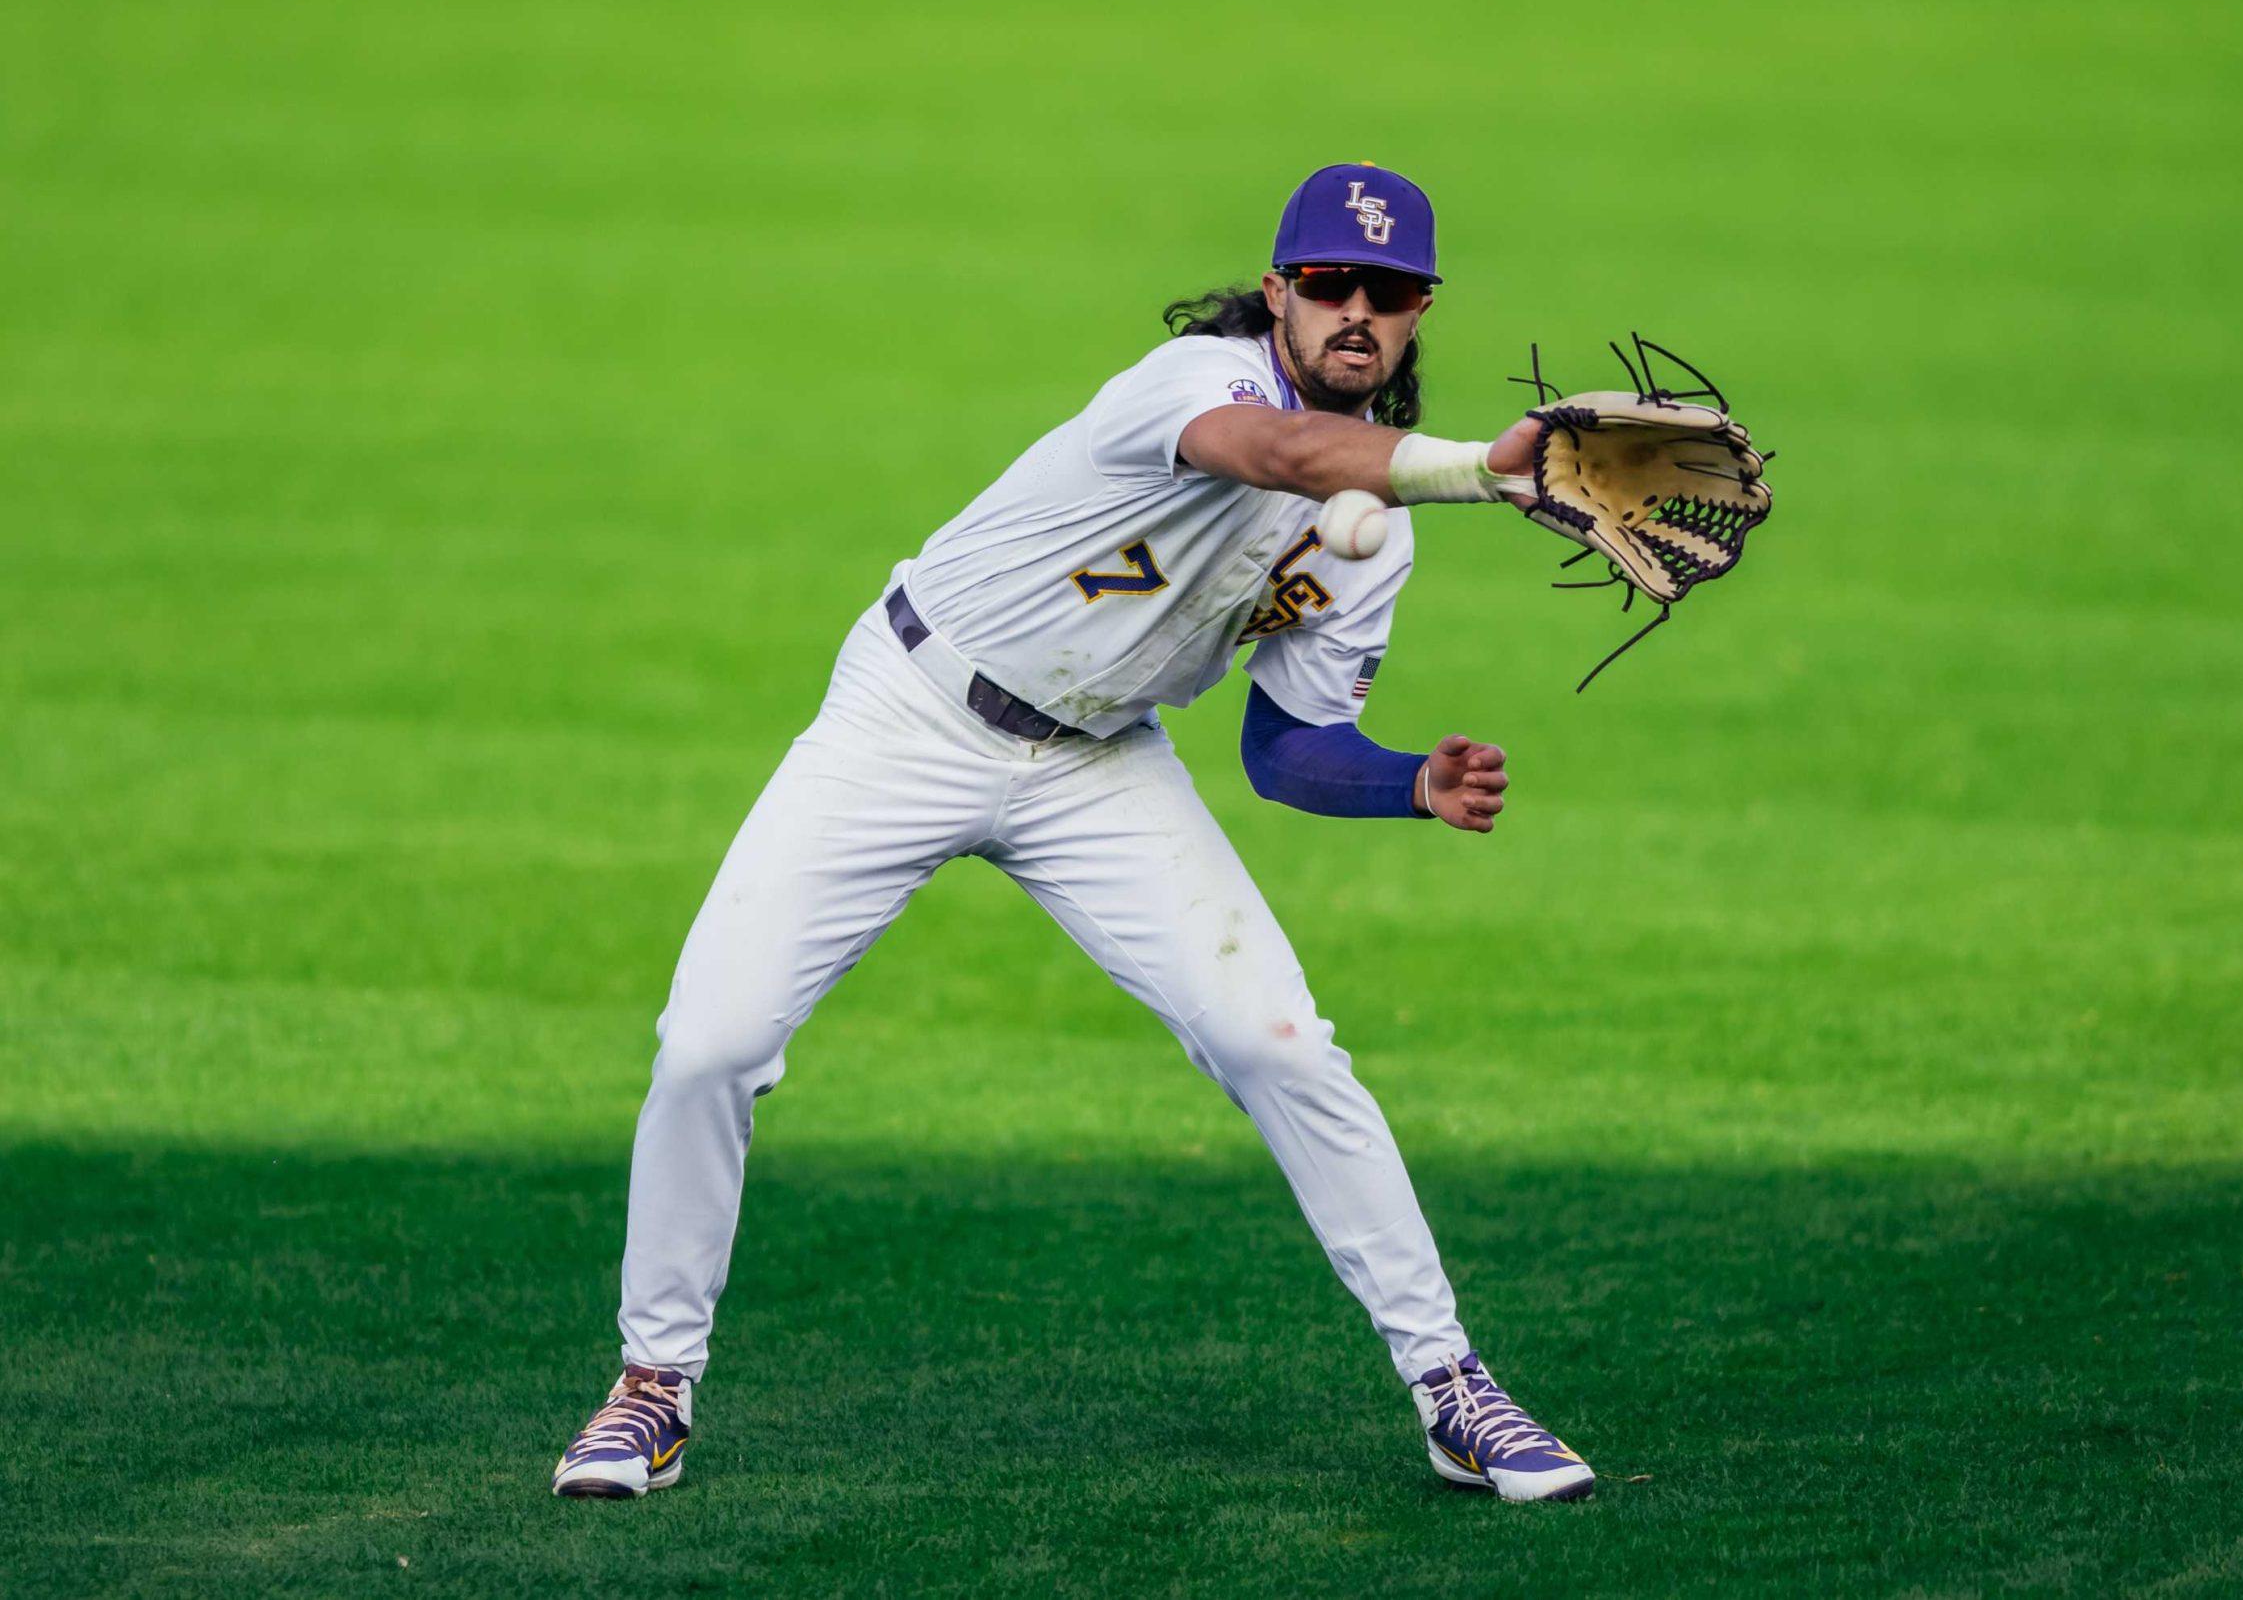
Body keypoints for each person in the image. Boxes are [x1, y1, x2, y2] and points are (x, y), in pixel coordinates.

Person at [552, 163, 1593, 1504]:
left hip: (1099, 765)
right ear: (1277, 293)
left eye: (1387, 293)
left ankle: (1454, 1389)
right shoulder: (1193, 385)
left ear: (1417, 313)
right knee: (713, 1043)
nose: (1356, 311)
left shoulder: (1368, 540)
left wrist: (1407, 783)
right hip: (912, 712)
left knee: (1277, 1042)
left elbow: (1283, 753)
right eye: (1328, 282)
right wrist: (1476, 469)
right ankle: (652, 1388)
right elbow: (1277, 456)